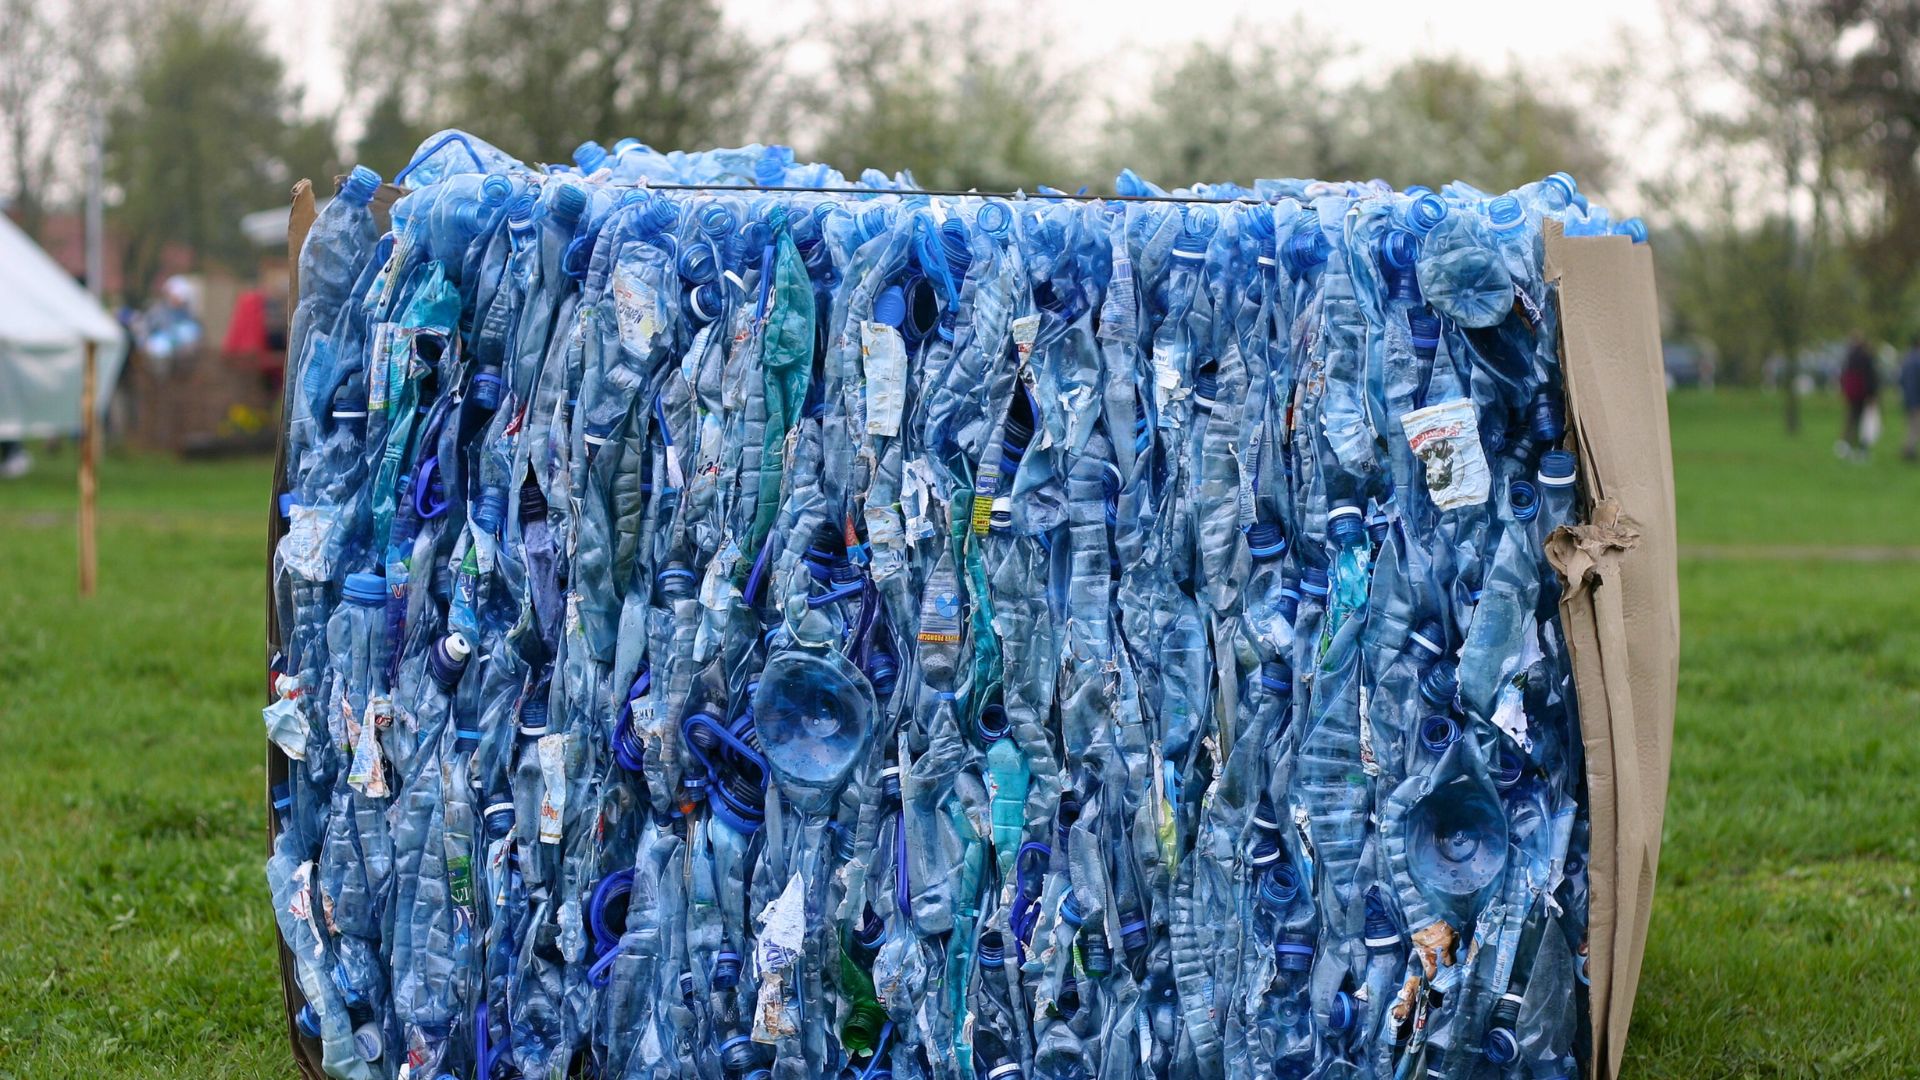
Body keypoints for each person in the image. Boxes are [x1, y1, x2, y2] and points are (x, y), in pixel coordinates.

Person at [1838, 333, 1880, 461]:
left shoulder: (1849, 357)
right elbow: (1870, 377)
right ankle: (1862, 448)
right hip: (1864, 394)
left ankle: (1846, 444)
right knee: (1864, 421)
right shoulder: (1866, 357)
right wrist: (1872, 394)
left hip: (1852, 394)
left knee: (1851, 417)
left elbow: (1844, 376)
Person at [1901, 336, 1920, 462]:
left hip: (1908, 397)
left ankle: (1908, 449)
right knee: (1916, 426)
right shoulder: (1918, 360)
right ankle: (1909, 450)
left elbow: (1900, 380)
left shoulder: (1907, 359)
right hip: (1917, 398)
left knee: (1911, 425)